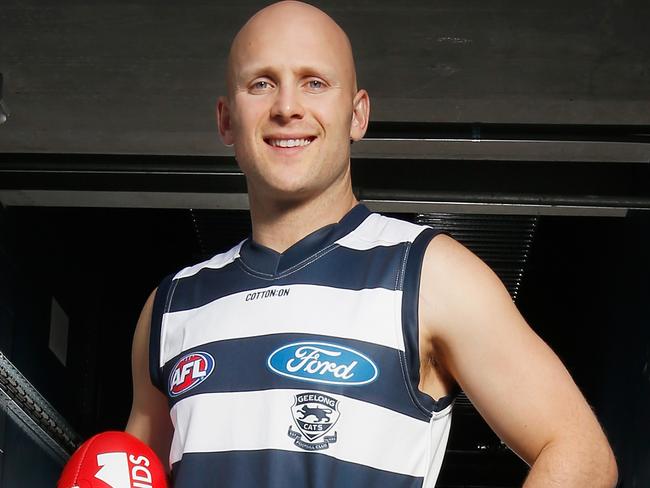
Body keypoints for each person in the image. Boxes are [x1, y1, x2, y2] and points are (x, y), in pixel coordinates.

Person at [125, 2, 618, 487]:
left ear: (357, 114)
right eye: (261, 84)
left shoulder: (430, 274)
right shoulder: (171, 307)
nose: (287, 107)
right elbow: (131, 470)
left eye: (314, 82)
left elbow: (581, 454)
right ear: (226, 119)